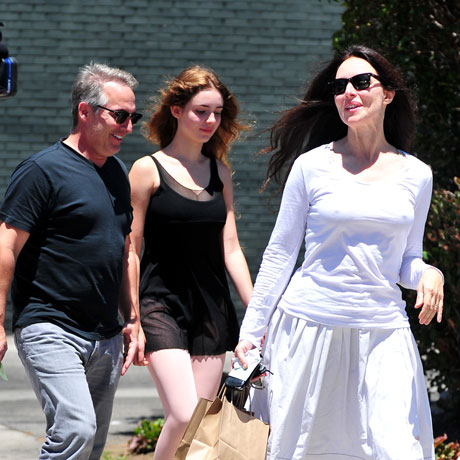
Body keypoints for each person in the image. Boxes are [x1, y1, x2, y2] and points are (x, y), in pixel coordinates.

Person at [235, 45, 444, 460]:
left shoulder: (417, 175)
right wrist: (250, 332)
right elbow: (280, 254)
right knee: (305, 449)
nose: (349, 92)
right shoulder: (313, 166)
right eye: (339, 85)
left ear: (388, 93)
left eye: (362, 82)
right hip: (310, 327)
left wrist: (428, 274)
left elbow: (406, 261)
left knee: (396, 448)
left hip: (383, 332)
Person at [0, 62, 144, 460]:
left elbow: (125, 247)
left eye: (134, 117)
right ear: (85, 111)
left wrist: (132, 318)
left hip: (105, 334)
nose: (128, 127)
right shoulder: (41, 170)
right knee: (75, 429)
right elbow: (6, 244)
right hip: (49, 325)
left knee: (92, 445)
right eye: (120, 116)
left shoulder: (117, 172)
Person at [129, 65, 253, 460]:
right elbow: (129, 249)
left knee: (201, 427)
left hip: (211, 309)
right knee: (184, 414)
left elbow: (230, 248)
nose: (210, 120)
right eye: (202, 111)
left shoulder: (220, 172)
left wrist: (257, 311)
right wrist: (131, 316)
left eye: (217, 112)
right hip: (159, 304)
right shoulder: (147, 169)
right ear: (177, 110)